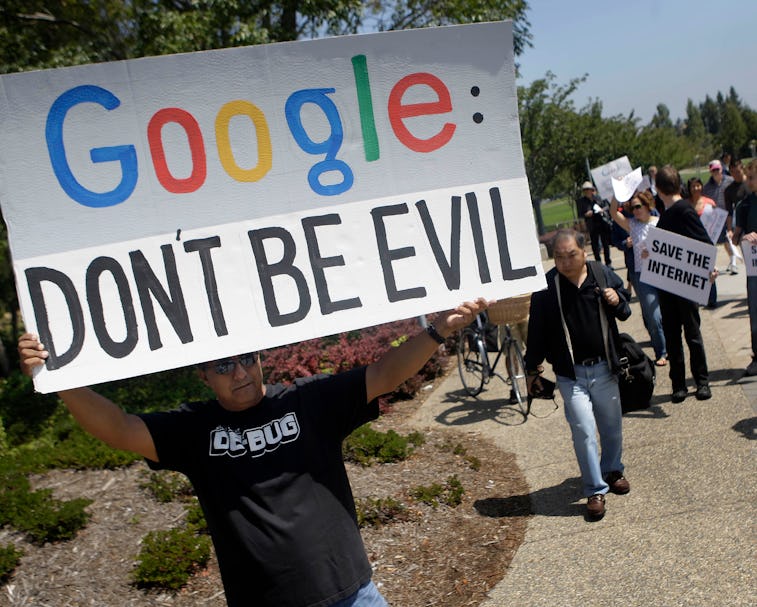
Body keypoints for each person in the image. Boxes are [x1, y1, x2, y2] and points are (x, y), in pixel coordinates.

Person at [17, 297, 488, 607]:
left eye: (247, 358)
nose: (240, 372)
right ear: (203, 375)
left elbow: (384, 375)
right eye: (223, 366)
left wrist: (436, 331)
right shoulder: (194, 429)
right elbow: (119, 428)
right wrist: (59, 381)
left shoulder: (309, 400)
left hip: (351, 593)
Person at [524, 229, 631, 520]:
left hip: (605, 367)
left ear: (584, 252)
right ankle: (594, 490)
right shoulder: (548, 287)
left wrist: (616, 299)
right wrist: (532, 368)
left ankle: (612, 470)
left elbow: (625, 309)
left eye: (571, 255)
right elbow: (536, 331)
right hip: (571, 374)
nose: (565, 262)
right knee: (583, 430)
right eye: (559, 257)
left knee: (611, 427)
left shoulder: (601, 274)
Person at [654, 165, 715, 403]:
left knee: (689, 334)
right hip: (669, 284)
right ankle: (681, 383)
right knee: (675, 335)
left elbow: (703, 242)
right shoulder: (670, 211)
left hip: (684, 285)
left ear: (658, 189)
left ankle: (699, 382)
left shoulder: (682, 211)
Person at [609, 190, 667, 365]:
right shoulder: (632, 225)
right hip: (642, 275)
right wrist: (615, 191)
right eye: (632, 208)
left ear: (648, 205)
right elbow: (613, 213)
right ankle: (662, 352)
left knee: (667, 314)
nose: (635, 211)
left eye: (638, 206)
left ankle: (671, 344)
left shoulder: (660, 223)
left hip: (662, 273)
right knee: (653, 315)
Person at [732, 158, 757, 376]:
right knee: (755, 314)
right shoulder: (745, 204)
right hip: (754, 271)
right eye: (747, 177)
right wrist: (737, 237)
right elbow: (736, 236)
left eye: (752, 178)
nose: (748, 182)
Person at [686, 177, 719, 308]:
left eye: (698, 185)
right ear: (689, 188)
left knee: (709, 269)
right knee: (694, 270)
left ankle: (712, 298)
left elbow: (717, 220)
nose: (696, 188)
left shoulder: (709, 202)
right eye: (693, 186)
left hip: (707, 241)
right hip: (691, 242)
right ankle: (697, 296)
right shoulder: (686, 204)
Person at [703, 159, 738, 273]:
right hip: (717, 216)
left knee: (730, 237)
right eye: (713, 170)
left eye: (717, 169)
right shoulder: (707, 187)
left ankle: (734, 262)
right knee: (724, 240)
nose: (716, 172)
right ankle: (732, 258)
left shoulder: (730, 181)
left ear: (721, 169)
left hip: (730, 213)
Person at [576, 181, 613, 267]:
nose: (587, 191)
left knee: (605, 243)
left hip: (602, 222)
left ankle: (608, 262)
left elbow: (607, 206)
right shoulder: (581, 202)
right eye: (585, 190)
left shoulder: (598, 198)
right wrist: (586, 214)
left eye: (588, 189)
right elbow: (580, 214)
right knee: (595, 244)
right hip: (592, 224)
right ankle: (598, 262)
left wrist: (602, 210)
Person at [724, 158, 750, 274]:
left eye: (738, 172)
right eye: (733, 172)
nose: (735, 175)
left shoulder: (751, 183)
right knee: (749, 259)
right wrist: (729, 229)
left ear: (742, 169)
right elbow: (729, 212)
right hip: (743, 226)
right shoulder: (729, 190)